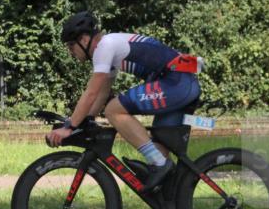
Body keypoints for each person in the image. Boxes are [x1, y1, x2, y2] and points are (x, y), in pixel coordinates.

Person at [47, 11, 202, 193]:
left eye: (71, 45)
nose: (70, 51)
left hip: (176, 82)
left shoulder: (104, 46)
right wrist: (85, 120)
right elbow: (101, 94)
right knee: (159, 151)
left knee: (114, 110)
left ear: (84, 39)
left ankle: (161, 164)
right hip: (177, 82)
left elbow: (91, 93)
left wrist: (70, 127)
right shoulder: (110, 49)